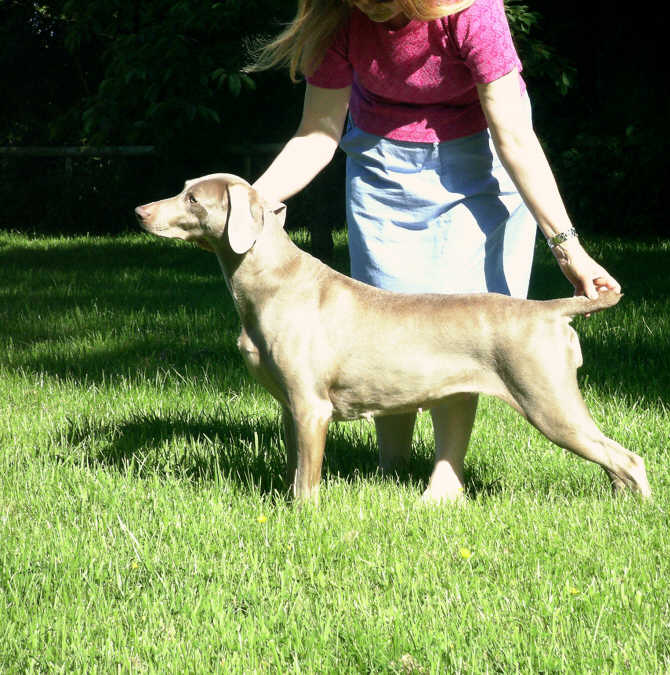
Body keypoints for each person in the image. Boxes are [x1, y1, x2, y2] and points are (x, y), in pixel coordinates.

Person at [248, 0, 621, 501]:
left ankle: (447, 474)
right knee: (383, 314)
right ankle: (390, 466)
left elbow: (514, 136)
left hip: (482, 157)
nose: (369, 11)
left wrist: (569, 249)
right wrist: (247, 205)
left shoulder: (474, 12)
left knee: (464, 324)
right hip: (384, 162)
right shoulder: (335, 17)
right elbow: (316, 135)